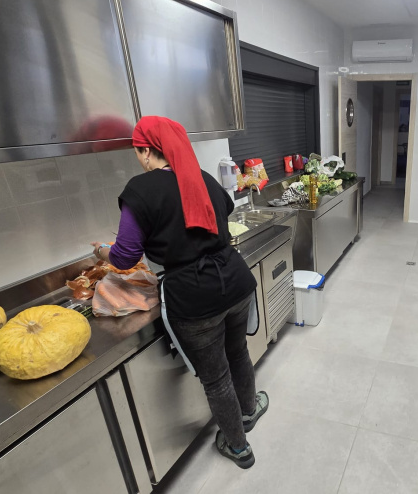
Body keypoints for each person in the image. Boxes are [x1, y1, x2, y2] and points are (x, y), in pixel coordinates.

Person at [92, 115, 268, 469]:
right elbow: (227, 207)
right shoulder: (199, 177)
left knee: (216, 376)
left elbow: (126, 257)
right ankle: (248, 411)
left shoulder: (140, 191)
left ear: (145, 152)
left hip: (194, 295)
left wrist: (102, 252)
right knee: (237, 352)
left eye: (137, 151)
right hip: (234, 282)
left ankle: (237, 446)